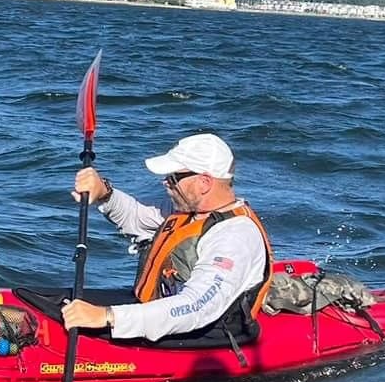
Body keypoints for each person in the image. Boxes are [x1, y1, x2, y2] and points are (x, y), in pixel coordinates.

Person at [61, 133, 273, 343]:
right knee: (52, 302)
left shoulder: (235, 237)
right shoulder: (186, 210)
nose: (165, 183)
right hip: (157, 310)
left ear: (204, 183)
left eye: (173, 178)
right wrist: (104, 194)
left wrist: (107, 316)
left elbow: (196, 307)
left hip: (202, 332)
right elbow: (138, 218)